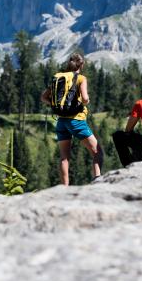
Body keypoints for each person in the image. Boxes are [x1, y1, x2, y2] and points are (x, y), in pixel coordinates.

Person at [41, 53, 103, 185]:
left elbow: (43, 97)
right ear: (81, 65)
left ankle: (65, 187)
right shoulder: (81, 78)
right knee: (97, 152)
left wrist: (55, 104)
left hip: (61, 121)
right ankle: (97, 181)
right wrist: (85, 102)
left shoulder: (58, 77)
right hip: (76, 120)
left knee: (64, 158)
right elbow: (85, 99)